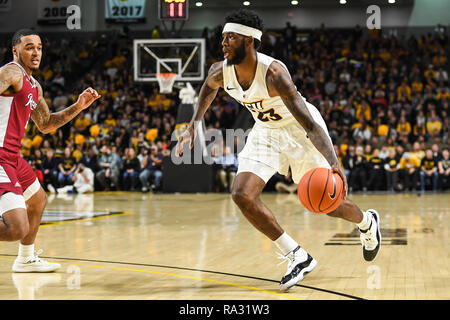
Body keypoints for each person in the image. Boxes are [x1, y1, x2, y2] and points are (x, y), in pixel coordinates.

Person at [176, 10, 381, 292]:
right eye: (223, 37)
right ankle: (297, 255)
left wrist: (335, 164)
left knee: (326, 204)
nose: (223, 43)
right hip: (266, 131)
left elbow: (308, 123)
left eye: (231, 37)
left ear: (249, 41)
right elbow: (208, 89)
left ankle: (367, 222)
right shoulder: (219, 71)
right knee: (241, 194)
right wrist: (193, 124)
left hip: (300, 130)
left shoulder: (274, 74)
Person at [0, 29, 100, 272]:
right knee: (16, 228)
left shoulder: (35, 86)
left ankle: (26, 258)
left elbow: (46, 125)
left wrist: (78, 106)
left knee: (38, 199)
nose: (35, 52)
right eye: (29, 47)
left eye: (39, 47)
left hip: (13, 157)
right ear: (16, 50)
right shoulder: (11, 72)